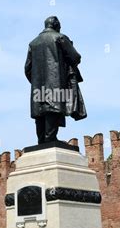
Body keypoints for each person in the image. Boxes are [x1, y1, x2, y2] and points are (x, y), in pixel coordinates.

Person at [25, 16, 87, 144]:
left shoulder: (33, 43)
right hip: (55, 82)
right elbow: (75, 58)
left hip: (38, 86)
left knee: (40, 111)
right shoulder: (60, 38)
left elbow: (27, 68)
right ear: (56, 25)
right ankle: (50, 138)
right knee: (52, 109)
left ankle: (42, 140)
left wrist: (36, 82)